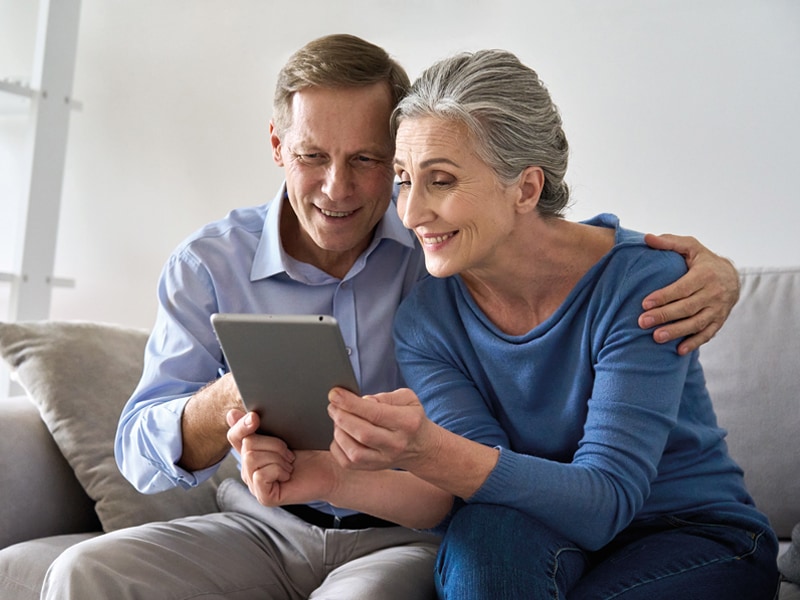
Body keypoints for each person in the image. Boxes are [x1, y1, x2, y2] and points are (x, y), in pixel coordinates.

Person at [42, 34, 740, 599]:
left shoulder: (437, 257)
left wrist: (716, 271)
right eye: (314, 156)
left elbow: (537, 233)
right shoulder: (416, 298)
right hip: (287, 520)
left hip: (455, 530)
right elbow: (139, 449)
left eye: (373, 163)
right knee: (82, 571)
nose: (349, 191)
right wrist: (238, 397)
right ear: (279, 147)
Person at [318, 49, 780, 599]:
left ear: (527, 189)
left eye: (440, 181)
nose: (411, 211)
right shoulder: (427, 319)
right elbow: (479, 486)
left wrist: (427, 449)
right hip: (534, 527)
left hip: (687, 533)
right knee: (485, 542)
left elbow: (606, 501)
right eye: (402, 179)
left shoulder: (642, 284)